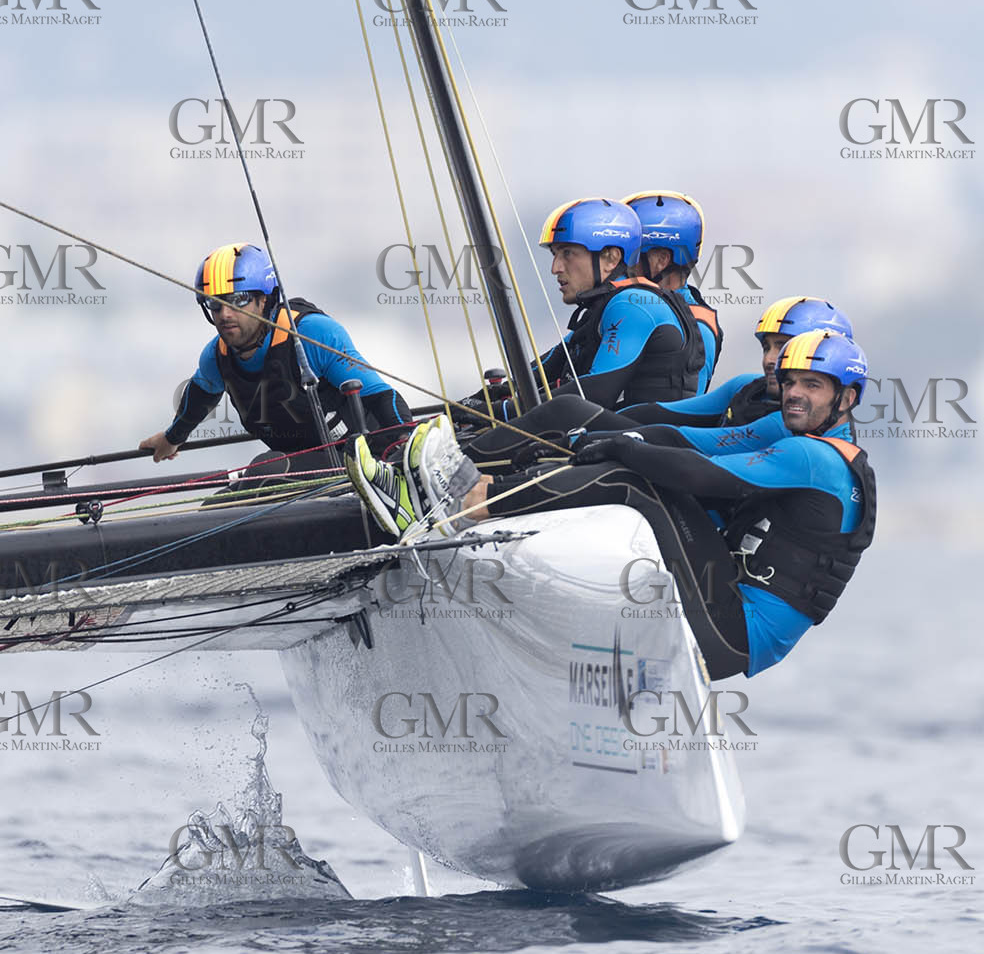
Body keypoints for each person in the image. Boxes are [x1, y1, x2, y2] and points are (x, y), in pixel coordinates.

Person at [347, 328, 876, 679]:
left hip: (730, 633)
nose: (793, 393)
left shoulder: (814, 458)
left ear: (846, 399)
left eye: (812, 385)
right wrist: (626, 439)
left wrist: (626, 446)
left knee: (634, 482)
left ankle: (457, 507)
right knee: (638, 469)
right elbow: (685, 443)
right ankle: (470, 497)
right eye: (789, 382)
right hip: (727, 615)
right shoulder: (812, 445)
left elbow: (704, 473)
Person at [140, 242, 411, 482]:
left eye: (237, 300)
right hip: (297, 468)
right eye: (215, 304)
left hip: (362, 462)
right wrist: (172, 438)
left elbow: (381, 396)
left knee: (263, 473)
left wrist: (406, 445)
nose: (224, 314)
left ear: (263, 300)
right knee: (214, 509)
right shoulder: (216, 356)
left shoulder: (311, 334)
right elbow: (199, 398)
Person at [456, 197, 704, 423]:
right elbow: (542, 368)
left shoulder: (632, 303)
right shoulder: (604, 307)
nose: (555, 268)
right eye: (555, 255)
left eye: (567, 253)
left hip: (644, 451)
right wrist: (481, 400)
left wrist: (498, 411)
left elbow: (594, 395)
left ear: (610, 259)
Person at [619, 295, 853, 431]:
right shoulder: (748, 387)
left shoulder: (790, 425)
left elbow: (692, 444)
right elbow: (661, 414)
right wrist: (594, 418)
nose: (770, 360)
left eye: (783, 347)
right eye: (766, 347)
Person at [621, 191, 721, 394]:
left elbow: (684, 409)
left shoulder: (698, 327)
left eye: (630, 257)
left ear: (661, 261)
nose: (619, 267)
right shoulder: (629, 306)